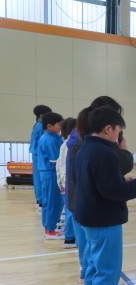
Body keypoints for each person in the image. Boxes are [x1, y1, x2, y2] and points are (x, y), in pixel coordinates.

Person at [73, 106, 136, 285]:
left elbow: (96, 182)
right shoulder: (105, 153)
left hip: (88, 216)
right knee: (107, 271)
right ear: (108, 129)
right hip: (103, 218)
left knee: (93, 268)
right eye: (118, 130)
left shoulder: (84, 148)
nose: (119, 135)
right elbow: (112, 191)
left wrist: (121, 179)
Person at [38, 112, 65, 240]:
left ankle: (48, 227)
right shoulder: (49, 139)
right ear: (49, 126)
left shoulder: (52, 137)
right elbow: (56, 159)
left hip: (48, 172)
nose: (61, 127)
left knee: (49, 201)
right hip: (51, 172)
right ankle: (50, 229)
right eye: (59, 124)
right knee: (53, 201)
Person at [56, 117, 77, 248]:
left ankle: (69, 237)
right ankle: (69, 238)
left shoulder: (66, 143)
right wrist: (63, 181)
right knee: (71, 211)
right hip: (67, 181)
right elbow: (62, 165)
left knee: (69, 210)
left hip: (65, 180)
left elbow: (59, 164)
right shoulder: (70, 144)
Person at [30, 105, 52, 209]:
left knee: (38, 177)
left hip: (37, 154)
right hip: (39, 155)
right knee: (40, 178)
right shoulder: (40, 127)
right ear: (42, 115)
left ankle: (40, 200)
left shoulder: (37, 125)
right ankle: (41, 201)